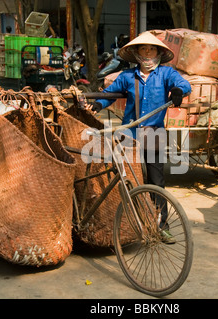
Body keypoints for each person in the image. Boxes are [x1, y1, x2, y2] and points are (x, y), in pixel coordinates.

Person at [87, 32, 191, 244]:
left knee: (156, 180)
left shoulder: (166, 74)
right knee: (127, 179)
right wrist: (98, 104)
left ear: (158, 53)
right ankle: (128, 222)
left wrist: (179, 91)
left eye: (151, 49)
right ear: (136, 53)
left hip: (154, 132)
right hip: (130, 134)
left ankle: (162, 225)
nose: (147, 53)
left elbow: (184, 84)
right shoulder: (126, 77)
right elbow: (108, 94)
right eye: (143, 49)